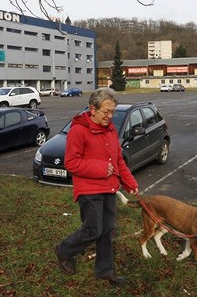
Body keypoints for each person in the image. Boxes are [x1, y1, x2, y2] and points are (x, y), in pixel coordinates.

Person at [54, 87, 139, 286]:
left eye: (113, 112)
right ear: (93, 109)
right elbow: (71, 163)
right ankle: (64, 250)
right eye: (106, 112)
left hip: (109, 188)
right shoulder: (78, 130)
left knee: (107, 230)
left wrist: (130, 183)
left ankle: (105, 271)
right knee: (93, 229)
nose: (110, 116)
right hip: (88, 189)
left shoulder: (110, 129)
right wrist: (102, 168)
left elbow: (118, 161)